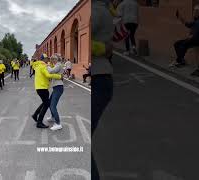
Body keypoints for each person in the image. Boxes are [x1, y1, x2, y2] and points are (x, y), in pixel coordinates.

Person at [92, 0, 115, 179]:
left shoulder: (97, 11)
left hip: (98, 79)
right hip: (100, 78)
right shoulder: (100, 9)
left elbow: (85, 45)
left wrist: (102, 48)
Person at [32, 54, 62, 128]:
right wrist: (59, 76)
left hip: (39, 87)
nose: (48, 60)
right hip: (43, 88)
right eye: (47, 58)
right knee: (46, 104)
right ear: (44, 59)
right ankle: (39, 122)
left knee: (45, 102)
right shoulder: (43, 65)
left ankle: (35, 115)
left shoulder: (38, 65)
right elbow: (48, 75)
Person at [171, 5, 199, 70]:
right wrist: (180, 18)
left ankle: (179, 61)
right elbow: (188, 24)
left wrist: (193, 35)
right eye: (194, 11)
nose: (194, 13)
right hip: (193, 39)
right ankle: (181, 60)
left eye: (196, 11)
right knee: (176, 44)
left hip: (198, 39)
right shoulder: (195, 20)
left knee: (184, 44)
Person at [47, 54, 64, 131]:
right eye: (52, 60)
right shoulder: (57, 65)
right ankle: (53, 117)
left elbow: (51, 71)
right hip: (56, 87)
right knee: (51, 103)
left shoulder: (58, 65)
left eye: (53, 60)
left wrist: (47, 66)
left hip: (58, 87)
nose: (52, 61)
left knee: (53, 106)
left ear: (56, 59)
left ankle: (58, 123)